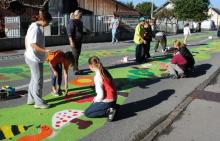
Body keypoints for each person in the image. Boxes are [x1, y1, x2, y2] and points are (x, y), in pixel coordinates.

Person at [24, 11, 52, 109]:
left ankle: (31, 99)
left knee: (34, 79)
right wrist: (45, 51)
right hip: (34, 59)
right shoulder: (35, 28)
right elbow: (33, 44)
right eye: (48, 22)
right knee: (38, 81)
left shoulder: (34, 26)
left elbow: (27, 40)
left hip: (32, 57)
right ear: (43, 20)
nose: (49, 24)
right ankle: (38, 102)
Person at [85, 56, 118, 122]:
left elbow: (101, 95)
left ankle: (108, 111)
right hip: (114, 98)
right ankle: (113, 106)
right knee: (94, 106)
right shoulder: (104, 71)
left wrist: (95, 100)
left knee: (87, 113)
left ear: (91, 66)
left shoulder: (97, 77)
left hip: (108, 100)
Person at [67, 10, 83, 75]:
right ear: (75, 15)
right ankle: (75, 69)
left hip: (79, 41)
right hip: (74, 41)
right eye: (79, 13)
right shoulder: (72, 21)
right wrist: (71, 41)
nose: (81, 14)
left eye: (81, 14)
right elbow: (69, 32)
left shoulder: (80, 22)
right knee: (75, 55)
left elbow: (79, 31)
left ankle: (75, 67)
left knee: (77, 55)